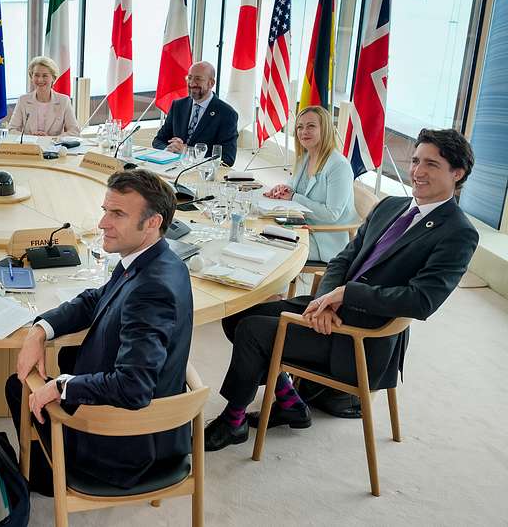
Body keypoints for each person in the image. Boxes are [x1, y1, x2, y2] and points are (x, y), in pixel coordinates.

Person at [204, 128, 479, 452]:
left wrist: (346, 296)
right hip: (334, 310)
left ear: (456, 173)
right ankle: (289, 400)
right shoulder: (392, 206)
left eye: (431, 164)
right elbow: (344, 257)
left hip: (363, 338)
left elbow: (422, 301)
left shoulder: (459, 233)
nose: (418, 172)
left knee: (253, 331)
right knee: (238, 316)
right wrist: (328, 299)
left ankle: (233, 421)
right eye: (416, 160)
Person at [8, 169, 193, 494]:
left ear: (153, 222)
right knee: (68, 355)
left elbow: (134, 388)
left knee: (19, 385)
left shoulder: (151, 291)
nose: (102, 223)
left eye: (118, 214)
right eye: (106, 210)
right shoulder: (157, 259)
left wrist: (62, 388)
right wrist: (40, 329)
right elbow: (97, 299)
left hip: (124, 449)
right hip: (152, 429)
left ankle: (48, 478)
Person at [263, 105, 356, 263]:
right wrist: (283, 190)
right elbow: (293, 189)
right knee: (259, 235)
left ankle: (277, 287)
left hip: (324, 239)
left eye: (311, 126)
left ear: (324, 129)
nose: (303, 131)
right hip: (301, 226)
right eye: (300, 127)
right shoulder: (306, 156)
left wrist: (294, 197)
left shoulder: (339, 166)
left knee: (274, 250)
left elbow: (332, 214)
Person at [152, 61, 238, 166]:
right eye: (190, 77)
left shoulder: (227, 114)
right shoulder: (178, 105)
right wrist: (169, 148)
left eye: (198, 79)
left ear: (211, 83)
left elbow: (227, 158)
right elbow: (158, 140)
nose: (192, 83)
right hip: (172, 168)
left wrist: (188, 151)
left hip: (202, 175)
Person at [7, 56, 81, 137]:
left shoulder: (64, 100)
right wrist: (31, 138)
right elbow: (12, 130)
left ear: (53, 78)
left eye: (45, 75)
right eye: (36, 75)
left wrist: (50, 139)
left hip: (53, 147)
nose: (40, 80)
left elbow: (74, 131)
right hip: (30, 147)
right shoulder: (23, 100)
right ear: (31, 77)